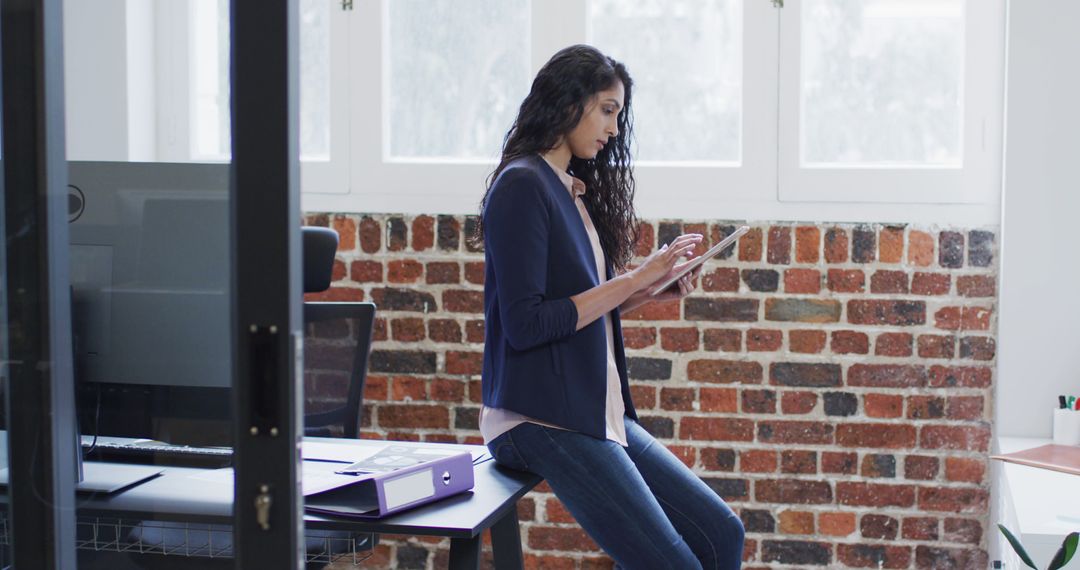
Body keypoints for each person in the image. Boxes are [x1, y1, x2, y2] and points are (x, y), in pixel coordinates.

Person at [474, 44, 745, 570]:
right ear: (568, 102)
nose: (615, 128)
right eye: (607, 109)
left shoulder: (567, 190)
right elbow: (528, 325)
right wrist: (634, 278)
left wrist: (649, 290)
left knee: (720, 533)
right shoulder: (522, 185)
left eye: (618, 113)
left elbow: (576, 313)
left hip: (591, 408)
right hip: (540, 416)